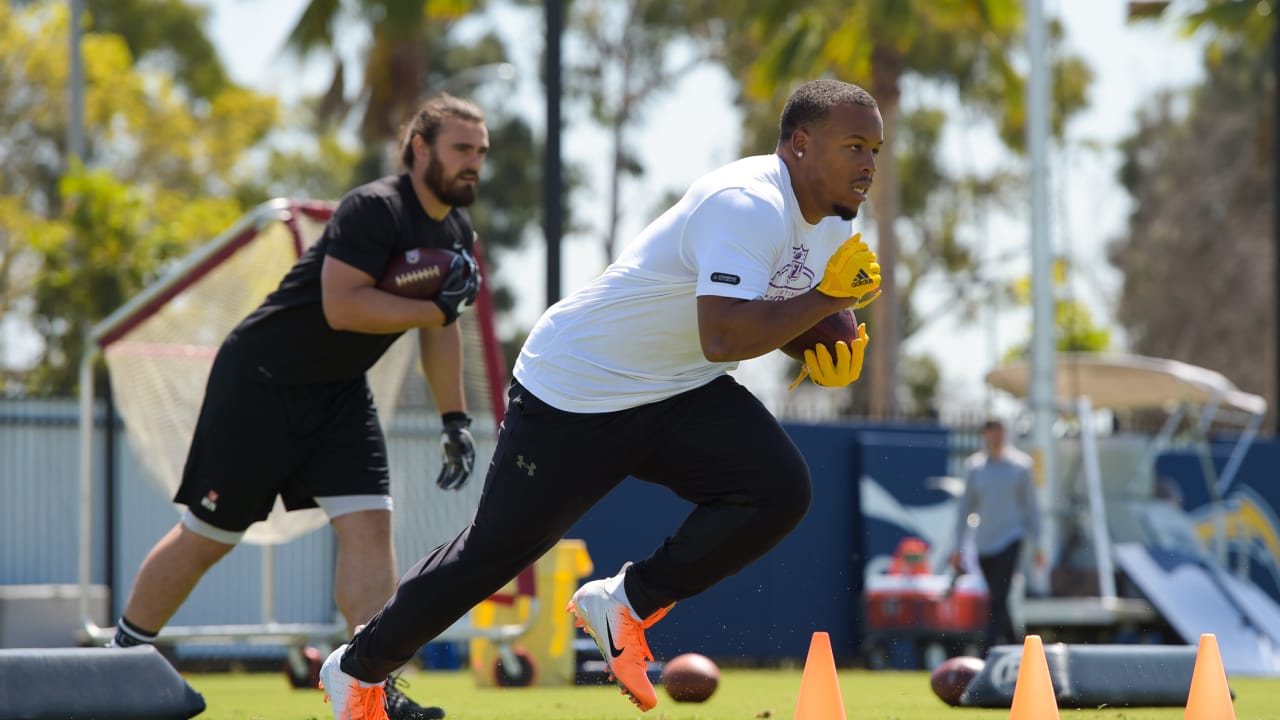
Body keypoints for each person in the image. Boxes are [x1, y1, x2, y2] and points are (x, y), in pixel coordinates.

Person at [318, 77, 884, 719]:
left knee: (779, 488)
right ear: (801, 144)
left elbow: (770, 311)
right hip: (576, 387)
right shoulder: (747, 203)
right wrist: (829, 301)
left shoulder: (834, 222)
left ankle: (625, 603)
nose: (868, 163)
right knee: (492, 556)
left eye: (876, 150)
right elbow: (724, 333)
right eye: (855, 145)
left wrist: (820, 352)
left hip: (676, 385)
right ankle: (356, 672)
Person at [109, 94, 488, 720]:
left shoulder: (454, 234)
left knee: (370, 527)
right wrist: (435, 306)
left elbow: (439, 331)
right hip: (261, 383)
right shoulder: (374, 208)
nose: (473, 163)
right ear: (419, 149)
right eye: (461, 149)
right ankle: (122, 663)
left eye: (480, 152)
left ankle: (370, 690)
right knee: (209, 537)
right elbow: (345, 306)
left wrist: (454, 419)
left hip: (340, 391)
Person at [949, 417, 1044, 654]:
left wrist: (1039, 545)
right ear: (984, 434)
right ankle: (1019, 650)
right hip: (985, 544)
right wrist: (957, 548)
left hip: (1011, 538)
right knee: (998, 598)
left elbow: (1032, 508)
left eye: (1001, 431)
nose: (998, 436)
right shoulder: (975, 467)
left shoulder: (1021, 466)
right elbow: (965, 509)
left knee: (998, 597)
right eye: (993, 431)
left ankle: (987, 652)